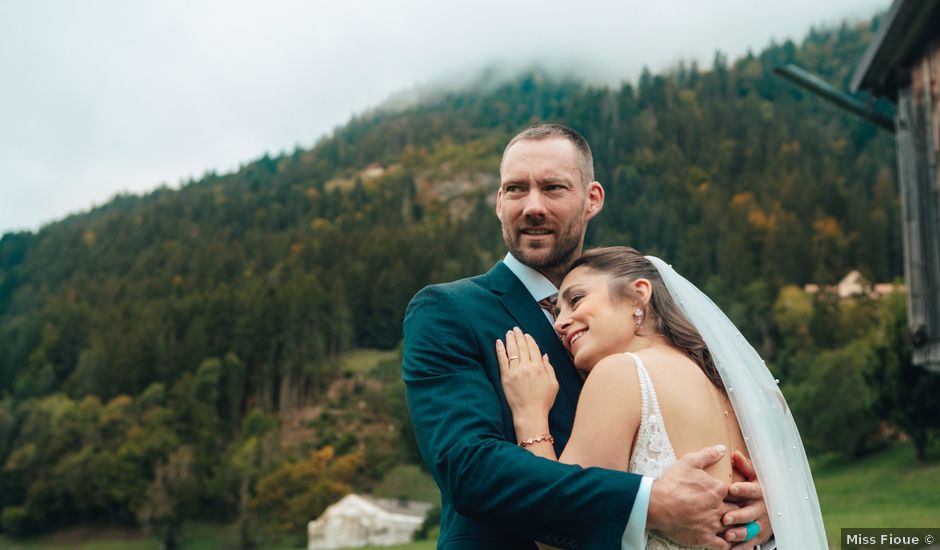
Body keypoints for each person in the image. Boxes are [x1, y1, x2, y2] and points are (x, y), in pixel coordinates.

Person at [402, 124, 770, 550]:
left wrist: (760, 512)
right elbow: (469, 469)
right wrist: (649, 503)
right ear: (500, 203)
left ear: (592, 199)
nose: (533, 206)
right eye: (517, 189)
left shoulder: (651, 322)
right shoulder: (448, 311)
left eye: (553, 188)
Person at [497, 247, 827, 549]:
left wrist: (530, 415)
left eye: (576, 299)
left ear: (638, 296)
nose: (561, 323)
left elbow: (559, 537)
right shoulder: (740, 393)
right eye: (556, 312)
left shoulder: (621, 374)